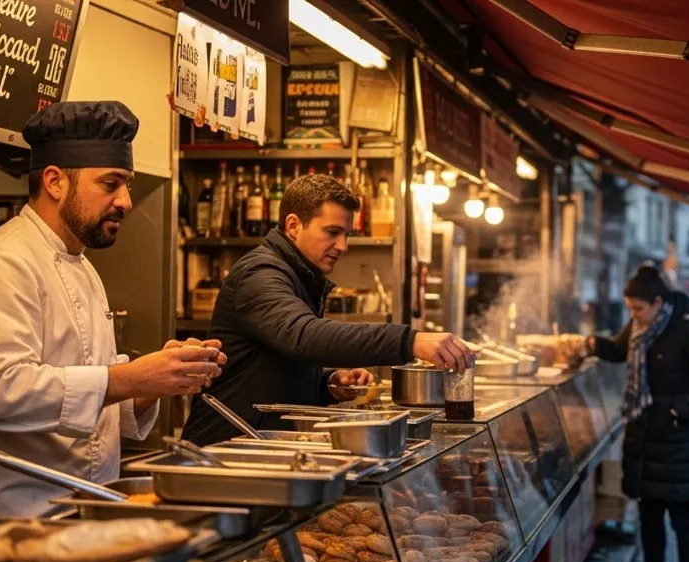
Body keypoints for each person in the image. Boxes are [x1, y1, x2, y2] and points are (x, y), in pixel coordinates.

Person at [0, 101, 228, 517]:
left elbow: (97, 397)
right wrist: (131, 378)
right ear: (55, 181)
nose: (126, 201)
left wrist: (155, 382)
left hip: (80, 511)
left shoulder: (84, 267)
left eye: (126, 184)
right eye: (111, 184)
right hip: (6, 521)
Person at [182, 174, 472, 445]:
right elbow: (302, 336)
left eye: (346, 233)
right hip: (224, 446)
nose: (343, 245)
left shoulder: (297, 274)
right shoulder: (260, 272)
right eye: (332, 232)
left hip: (257, 441)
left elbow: (275, 366)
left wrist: (328, 384)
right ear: (293, 226)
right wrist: (410, 340)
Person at [588, 266, 689, 562]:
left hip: (677, 441)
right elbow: (618, 351)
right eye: (630, 309)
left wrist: (678, 409)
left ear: (658, 302)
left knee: (682, 521)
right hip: (643, 439)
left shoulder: (687, 329)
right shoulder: (638, 328)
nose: (633, 316)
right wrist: (588, 344)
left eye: (638, 309)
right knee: (649, 520)